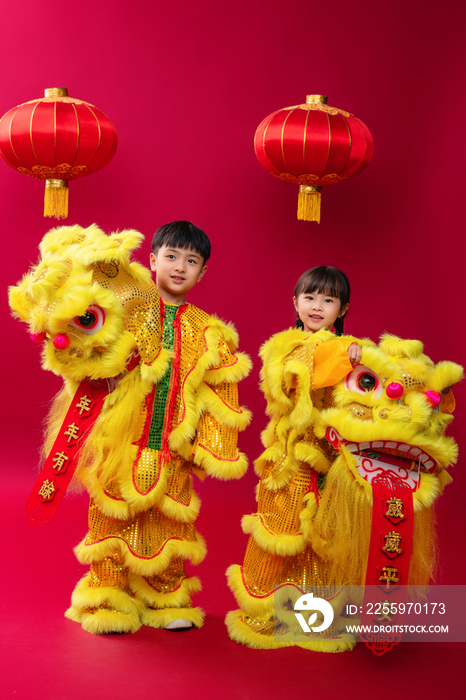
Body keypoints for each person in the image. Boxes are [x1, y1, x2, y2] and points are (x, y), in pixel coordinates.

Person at [59, 221, 252, 634]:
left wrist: (211, 443)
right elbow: (91, 350)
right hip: (121, 436)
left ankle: (165, 595)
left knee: (170, 517)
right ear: (152, 260)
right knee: (110, 513)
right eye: (171, 256)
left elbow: (220, 390)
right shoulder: (126, 308)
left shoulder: (208, 329)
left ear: (203, 272)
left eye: (191, 261)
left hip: (173, 442)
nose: (180, 267)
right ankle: (107, 596)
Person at [226, 265, 362, 651]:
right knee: (280, 530)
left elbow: (356, 405)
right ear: (296, 302)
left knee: (325, 537)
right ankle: (264, 612)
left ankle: (315, 618)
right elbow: (285, 390)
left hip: (333, 458)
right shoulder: (280, 346)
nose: (317, 306)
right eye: (310, 297)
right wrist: (338, 356)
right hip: (288, 456)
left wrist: (358, 363)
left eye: (328, 299)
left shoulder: (354, 349)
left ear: (343, 308)